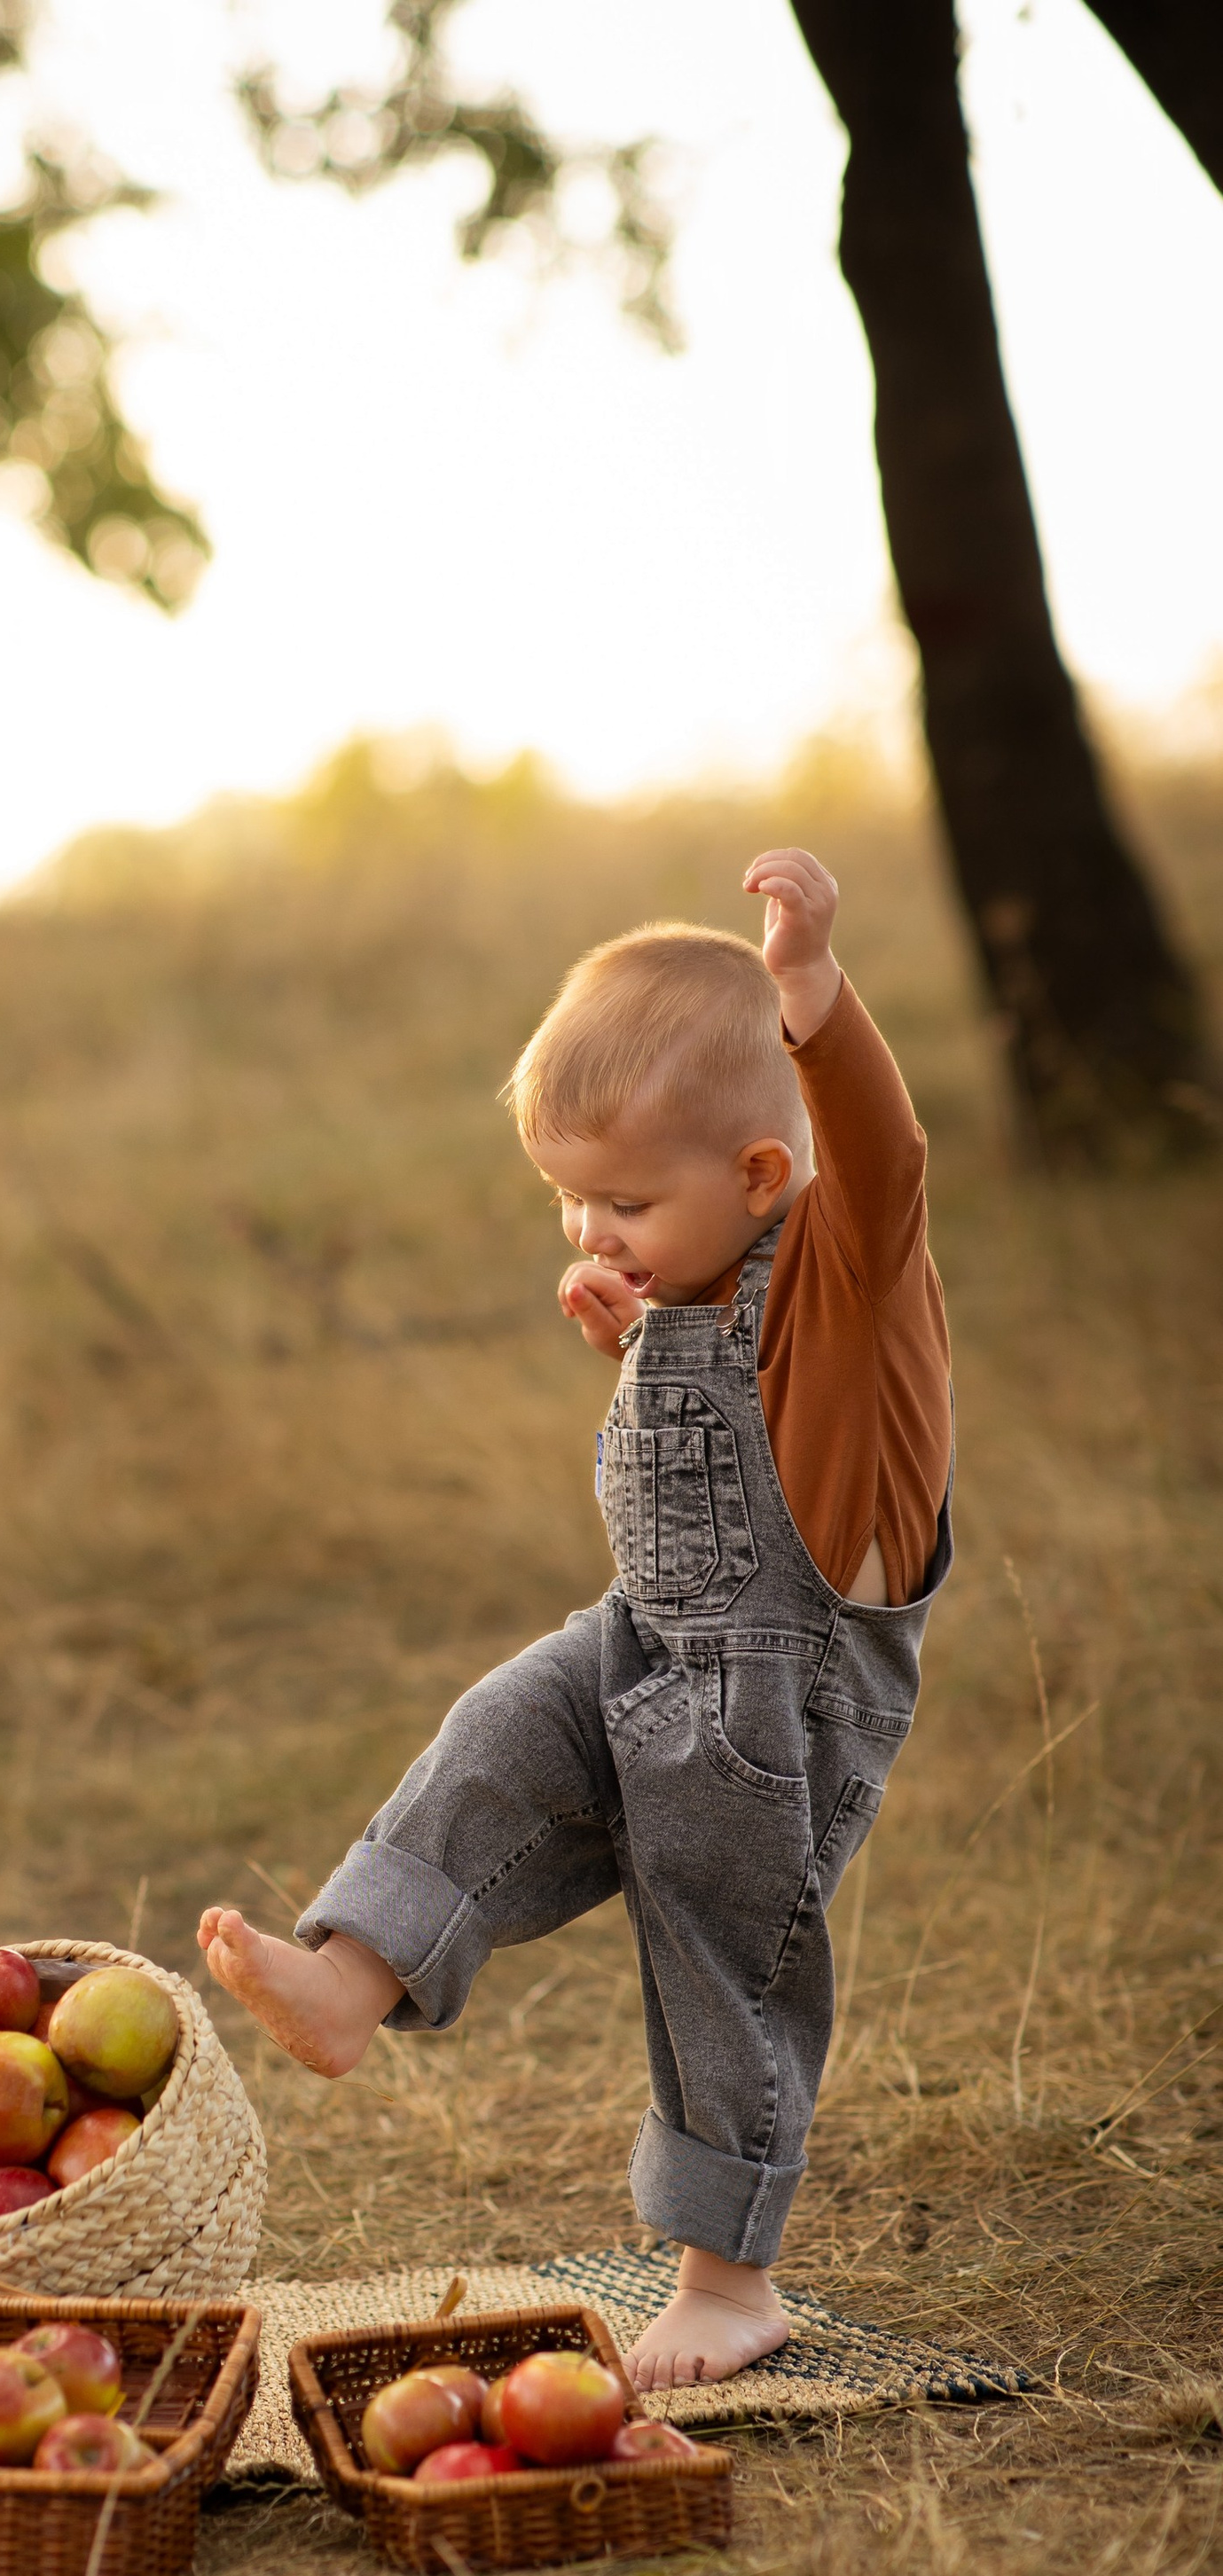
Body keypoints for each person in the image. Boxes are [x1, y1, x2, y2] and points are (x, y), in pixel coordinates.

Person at [199, 848, 952, 2389]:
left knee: (714, 1946)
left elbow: (879, 1166)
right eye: (567, 1202)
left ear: (758, 1177)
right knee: (500, 1729)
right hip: (650, 1637)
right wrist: (648, 1337)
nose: (589, 1231)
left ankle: (730, 2278)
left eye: (623, 1201)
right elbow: (707, 1453)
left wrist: (811, 997)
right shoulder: (702, 1280)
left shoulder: (852, 1279)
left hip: (773, 1709)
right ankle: (355, 1976)